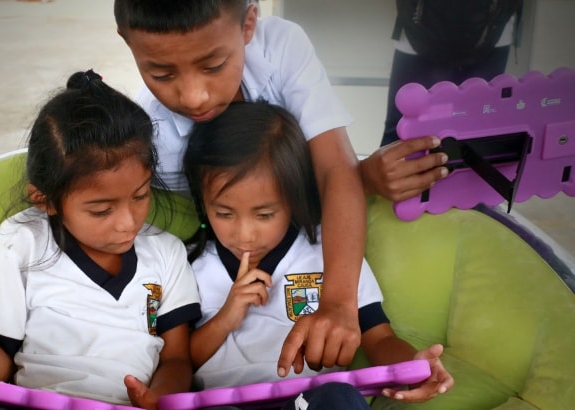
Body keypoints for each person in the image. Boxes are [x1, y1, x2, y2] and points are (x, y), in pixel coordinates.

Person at [0, 70, 202, 409]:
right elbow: (0, 366)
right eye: (102, 210)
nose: (128, 223)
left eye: (140, 196)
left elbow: (178, 360)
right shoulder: (20, 242)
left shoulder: (166, 252)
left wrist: (157, 400)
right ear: (45, 200)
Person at [114, 0, 366, 372]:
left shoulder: (280, 49)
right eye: (162, 75)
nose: (194, 96)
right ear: (126, 41)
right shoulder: (150, 137)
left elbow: (336, 169)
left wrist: (339, 304)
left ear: (248, 24)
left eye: (213, 66)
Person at [183, 101, 454, 409]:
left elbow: (380, 339)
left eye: (265, 215)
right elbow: (181, 361)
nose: (245, 235)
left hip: (310, 399)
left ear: (294, 201)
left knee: (339, 397)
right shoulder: (193, 267)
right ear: (202, 202)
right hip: (222, 402)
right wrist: (226, 317)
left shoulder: (331, 253)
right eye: (224, 213)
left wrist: (416, 369)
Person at [361, 0, 524, 202]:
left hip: (492, 25)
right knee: (403, 131)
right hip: (421, 25)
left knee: (477, 135)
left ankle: (469, 209)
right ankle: (385, 211)